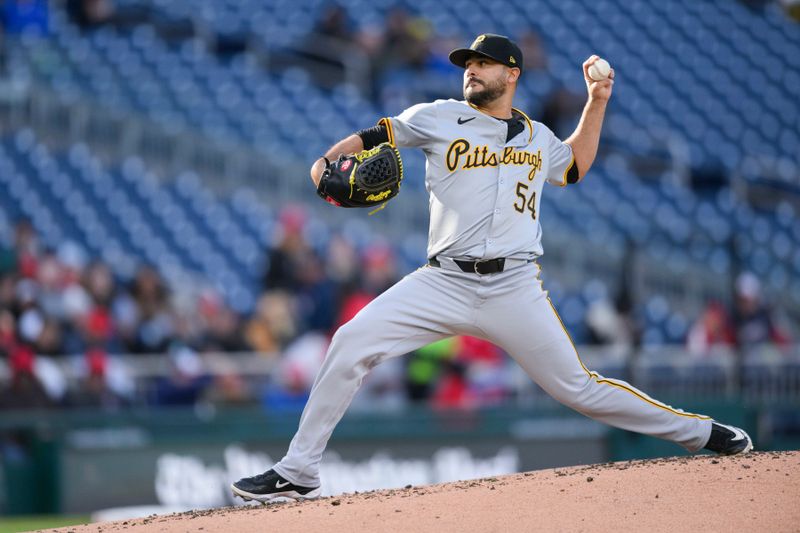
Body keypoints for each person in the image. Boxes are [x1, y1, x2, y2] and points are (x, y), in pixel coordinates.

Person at [232, 33, 753, 503]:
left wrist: (597, 101)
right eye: (467, 64)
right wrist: (326, 163)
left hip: (514, 286)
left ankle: (704, 433)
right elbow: (374, 136)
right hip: (444, 280)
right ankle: (298, 470)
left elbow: (574, 166)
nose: (471, 71)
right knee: (350, 341)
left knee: (579, 388)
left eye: (483, 64)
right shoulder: (437, 116)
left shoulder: (537, 136)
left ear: (512, 75)